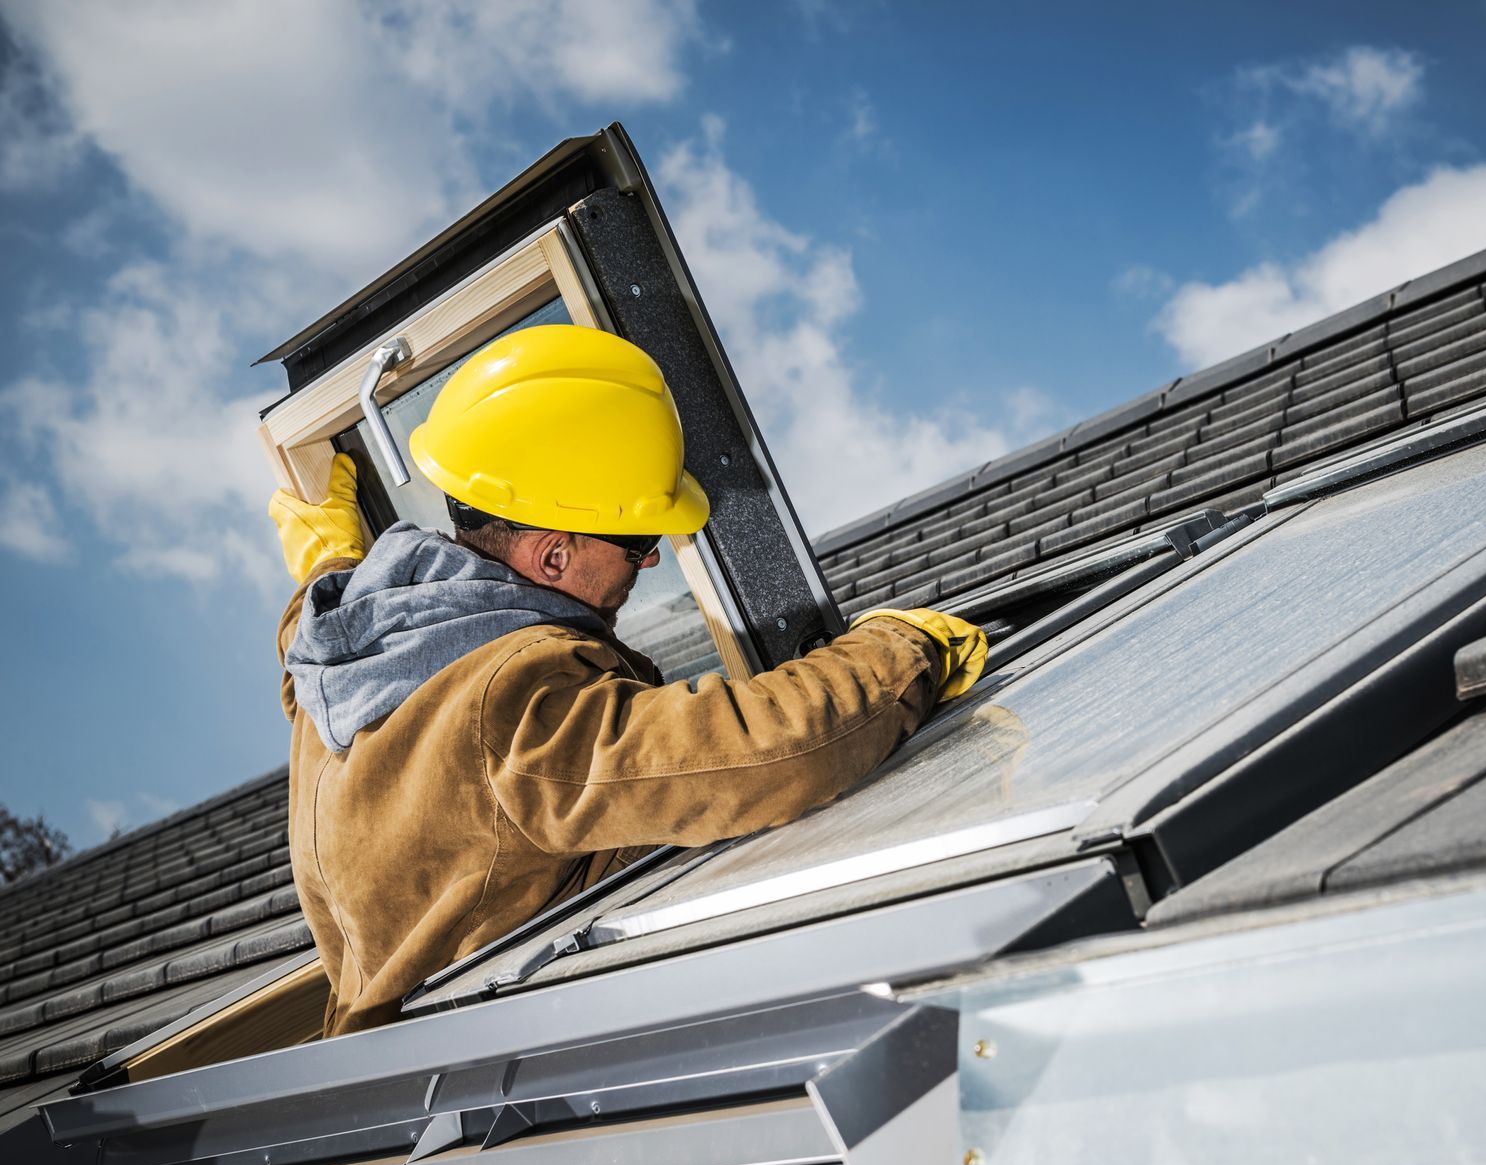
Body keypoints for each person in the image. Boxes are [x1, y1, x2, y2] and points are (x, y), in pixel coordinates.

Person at [267, 325, 986, 1035]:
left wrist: (331, 557)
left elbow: (316, 606)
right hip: (489, 1083)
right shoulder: (518, 707)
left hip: (385, 1065)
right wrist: (901, 649)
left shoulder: (339, 650)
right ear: (551, 559)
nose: (648, 563)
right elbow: (765, 751)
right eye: (636, 540)